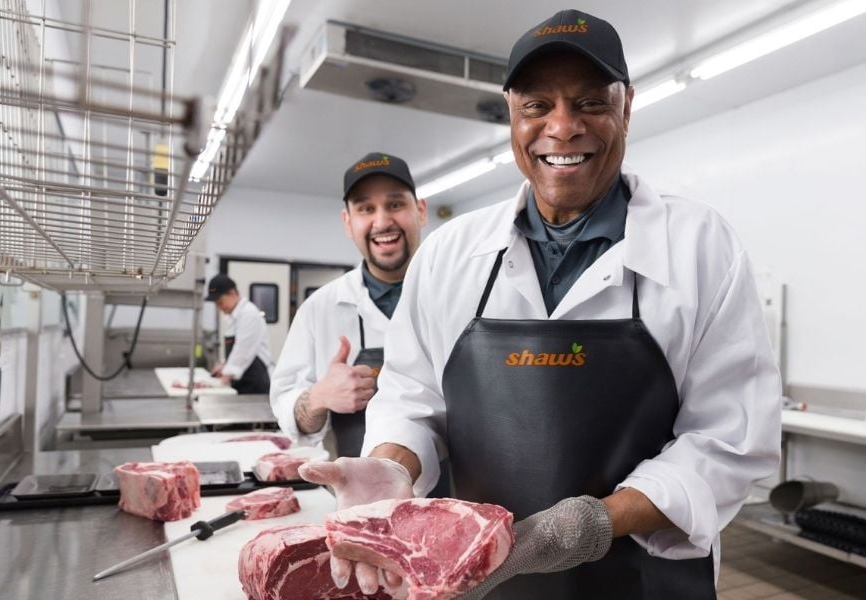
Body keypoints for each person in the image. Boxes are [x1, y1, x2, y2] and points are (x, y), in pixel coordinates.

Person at [300, 9, 782, 600]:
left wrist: (592, 524)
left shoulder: (701, 247)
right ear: (511, 112)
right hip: (479, 582)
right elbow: (411, 396)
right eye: (537, 106)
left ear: (626, 106)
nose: (562, 127)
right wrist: (393, 465)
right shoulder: (451, 254)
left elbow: (728, 439)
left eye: (589, 103)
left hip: (649, 580)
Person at [270, 152, 428, 459]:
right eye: (366, 208)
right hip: (356, 497)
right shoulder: (319, 309)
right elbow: (288, 410)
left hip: (461, 497)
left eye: (395, 204)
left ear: (420, 211)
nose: (382, 221)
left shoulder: (463, 296)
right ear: (348, 222)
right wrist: (318, 397)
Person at [206, 273, 274, 394]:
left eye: (220, 302)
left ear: (233, 293)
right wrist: (223, 365)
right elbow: (235, 351)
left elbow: (243, 349)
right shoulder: (235, 317)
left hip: (255, 384)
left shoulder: (249, 313)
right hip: (243, 382)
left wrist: (225, 375)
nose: (219, 307)